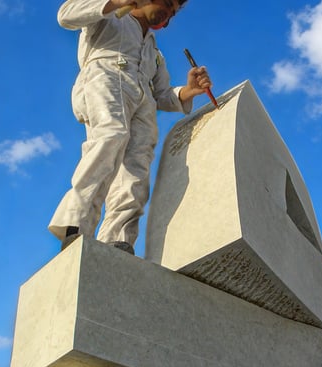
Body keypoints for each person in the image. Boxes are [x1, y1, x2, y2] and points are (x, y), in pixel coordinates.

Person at [49, 0, 213, 254]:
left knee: (137, 167)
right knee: (110, 136)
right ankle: (76, 225)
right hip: (105, 77)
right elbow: (66, 15)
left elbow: (163, 95)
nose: (169, 11)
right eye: (168, 2)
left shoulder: (155, 54)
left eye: (174, 10)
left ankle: (118, 238)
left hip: (143, 100)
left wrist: (189, 90)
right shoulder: (111, 16)